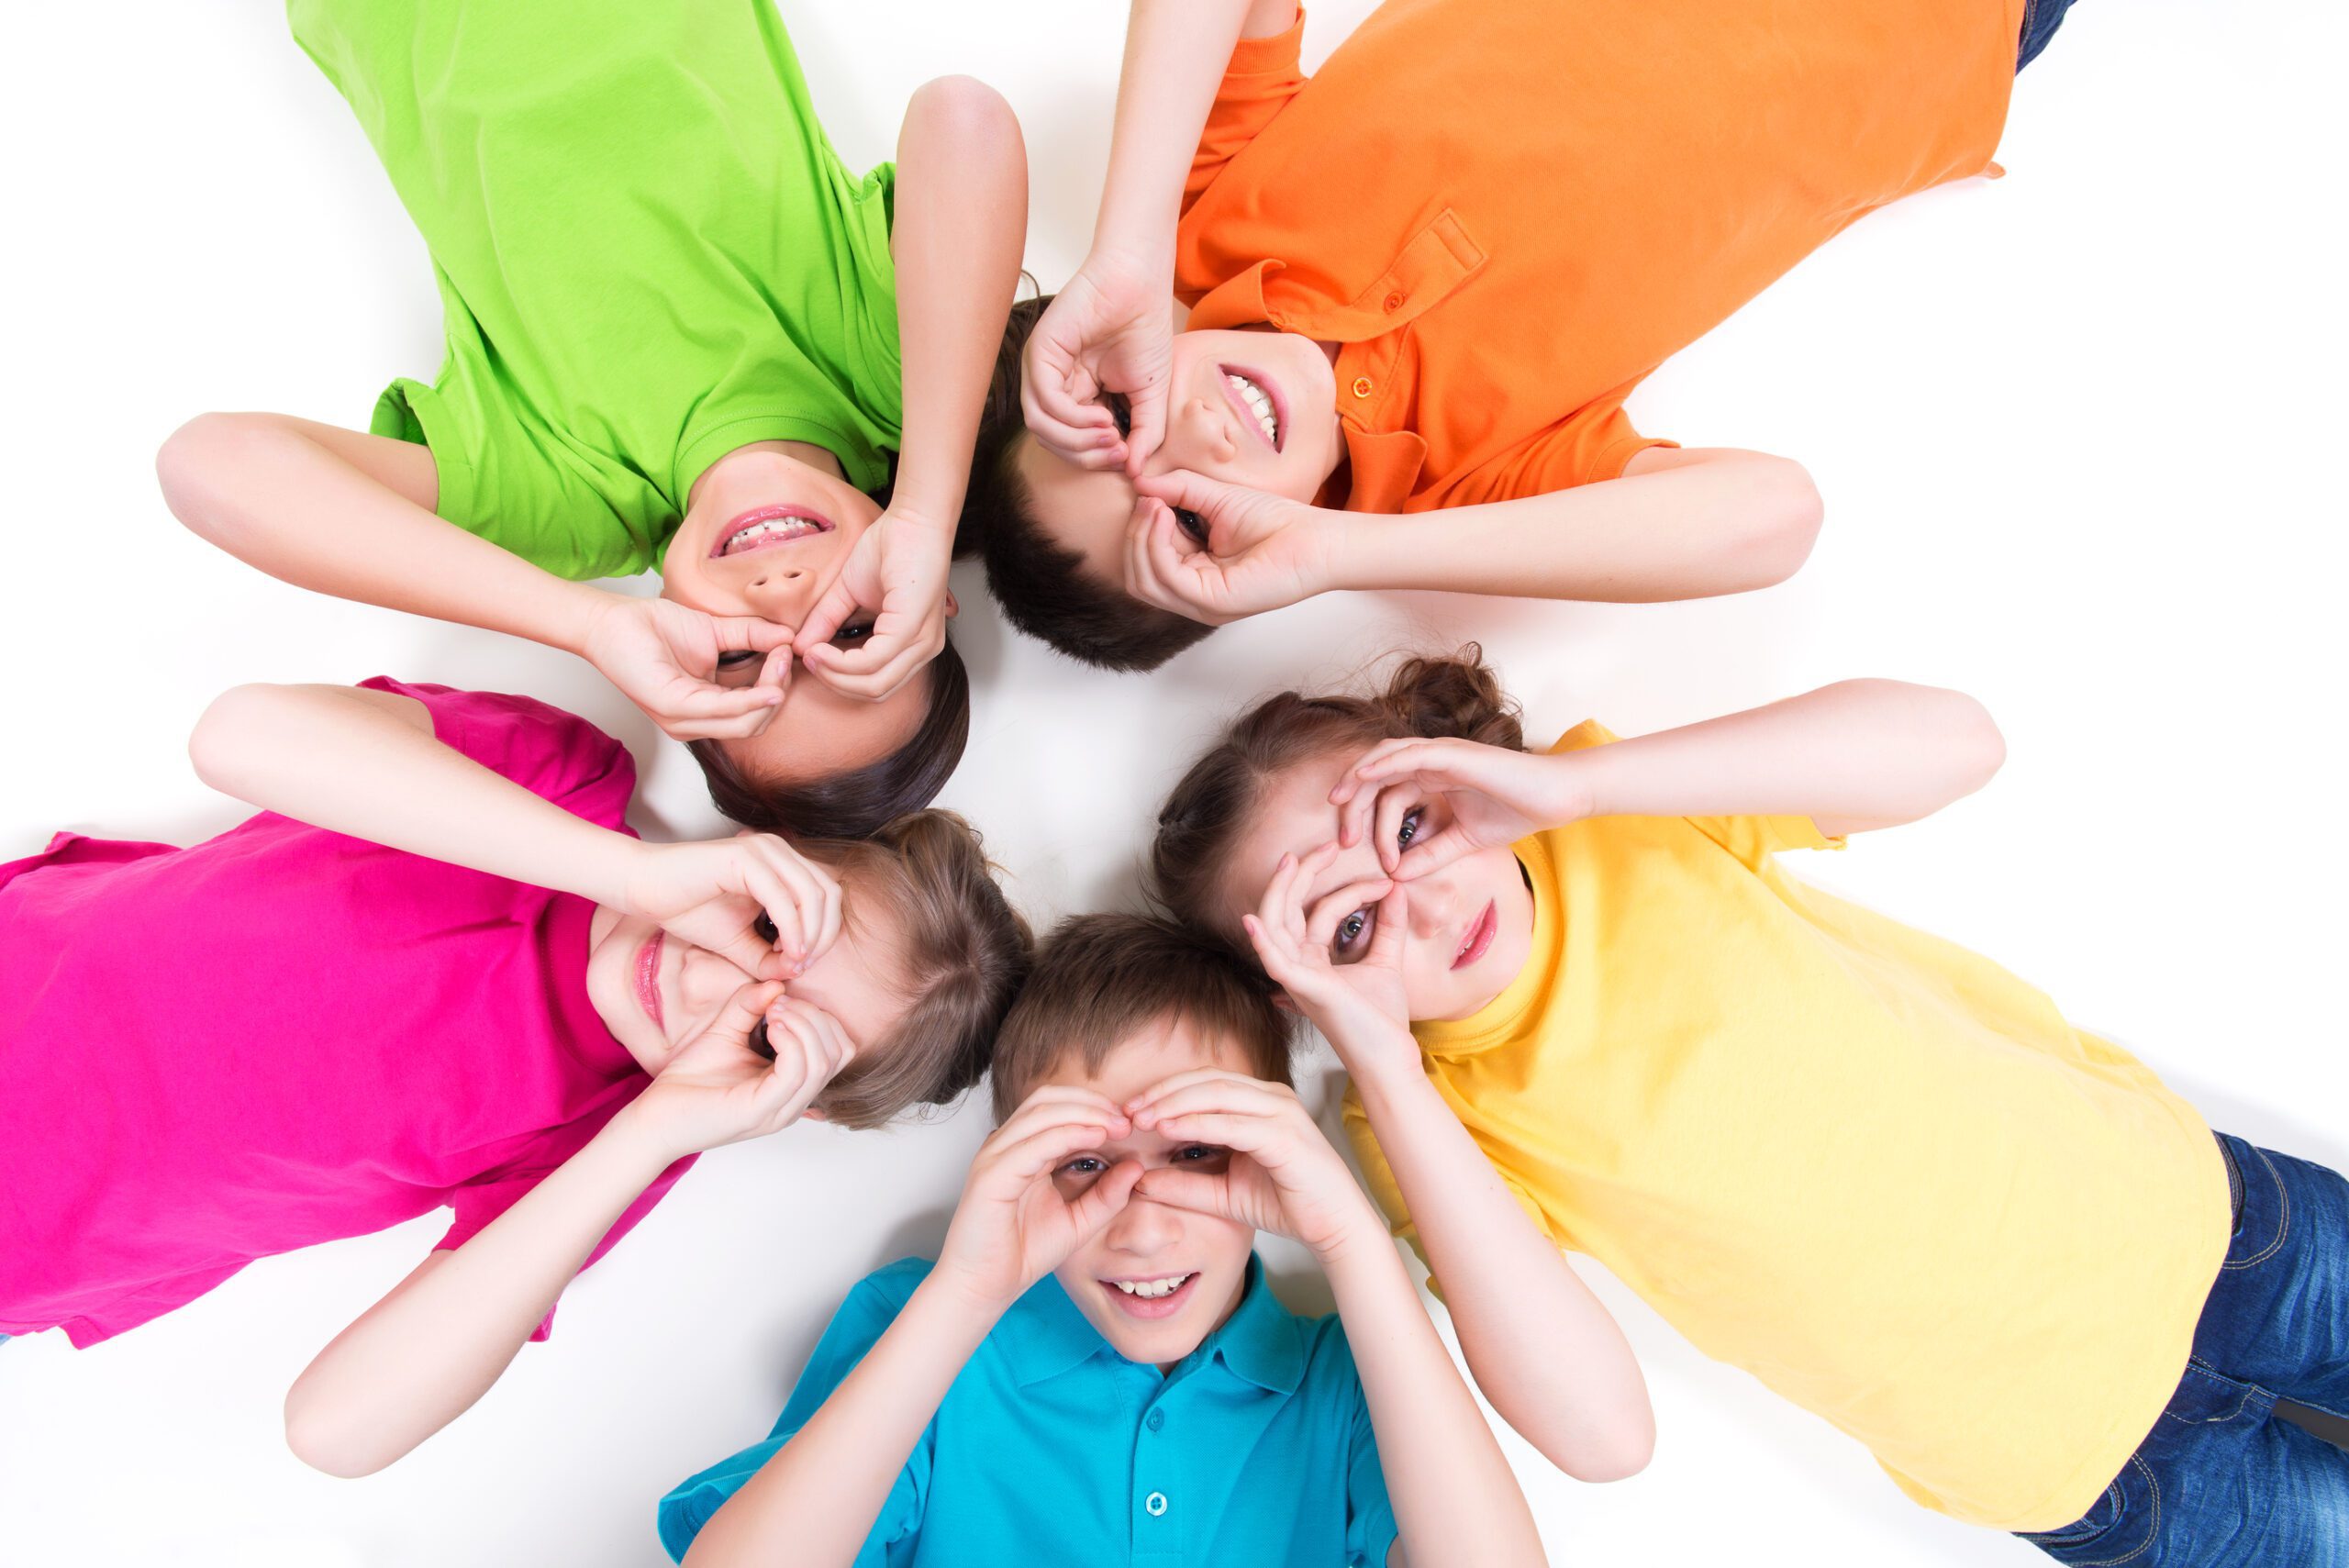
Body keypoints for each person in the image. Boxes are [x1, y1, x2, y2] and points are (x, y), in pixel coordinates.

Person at [1150, 650, 2349, 1563]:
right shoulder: (1421, 1118)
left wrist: (1571, 785)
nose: (1417, 902)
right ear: (1300, 984)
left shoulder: (1611, 818)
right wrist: (1383, 1058)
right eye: (1348, 926)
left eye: (1409, 824)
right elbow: (1602, 1436)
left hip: (2205, 1221)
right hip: (2084, 1453)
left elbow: (1958, 744)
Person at [0, 678, 1030, 1476]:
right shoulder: (561, 786)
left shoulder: (609, 1140)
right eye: (769, 926)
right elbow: (235, 735)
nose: (711, 979)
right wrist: (628, 875)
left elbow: (336, 1429)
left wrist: (661, 1126)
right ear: (762, 853)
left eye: (771, 1033)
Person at [969, 0, 2080, 672]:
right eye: (1191, 523)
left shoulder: (1208, 217)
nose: (1192, 441)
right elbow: (1774, 516)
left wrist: (1124, 249)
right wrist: (1345, 555)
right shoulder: (1465, 487)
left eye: (1120, 421)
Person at [159, 0, 1030, 834]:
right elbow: (964, 119)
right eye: (850, 627)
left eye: (738, 657)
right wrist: (923, 506)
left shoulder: (574, 497)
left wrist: (589, 626)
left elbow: (210, 463)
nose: (784, 602)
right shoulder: (887, 372)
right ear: (918, 592)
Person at [658, 913, 1619, 1566]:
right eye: (1083, 1161)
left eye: (1198, 1151)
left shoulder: (1351, 1378)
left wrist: (1354, 1241)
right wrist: (963, 1292)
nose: (1144, 1225)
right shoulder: (933, 1336)